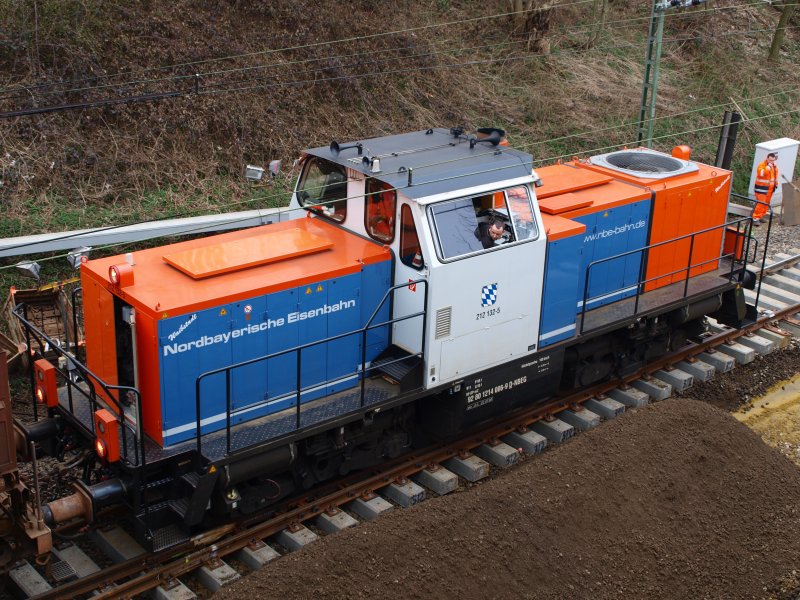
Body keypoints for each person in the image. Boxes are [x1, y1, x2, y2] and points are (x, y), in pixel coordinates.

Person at [752, 152, 779, 226]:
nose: (772, 162)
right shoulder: (762, 165)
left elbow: (775, 176)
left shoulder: (774, 166)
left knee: (766, 204)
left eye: (773, 160)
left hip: (770, 189)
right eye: (770, 160)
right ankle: (755, 218)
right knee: (760, 204)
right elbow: (761, 174)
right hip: (761, 189)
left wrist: (776, 184)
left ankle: (760, 216)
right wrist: (768, 167)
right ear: (767, 158)